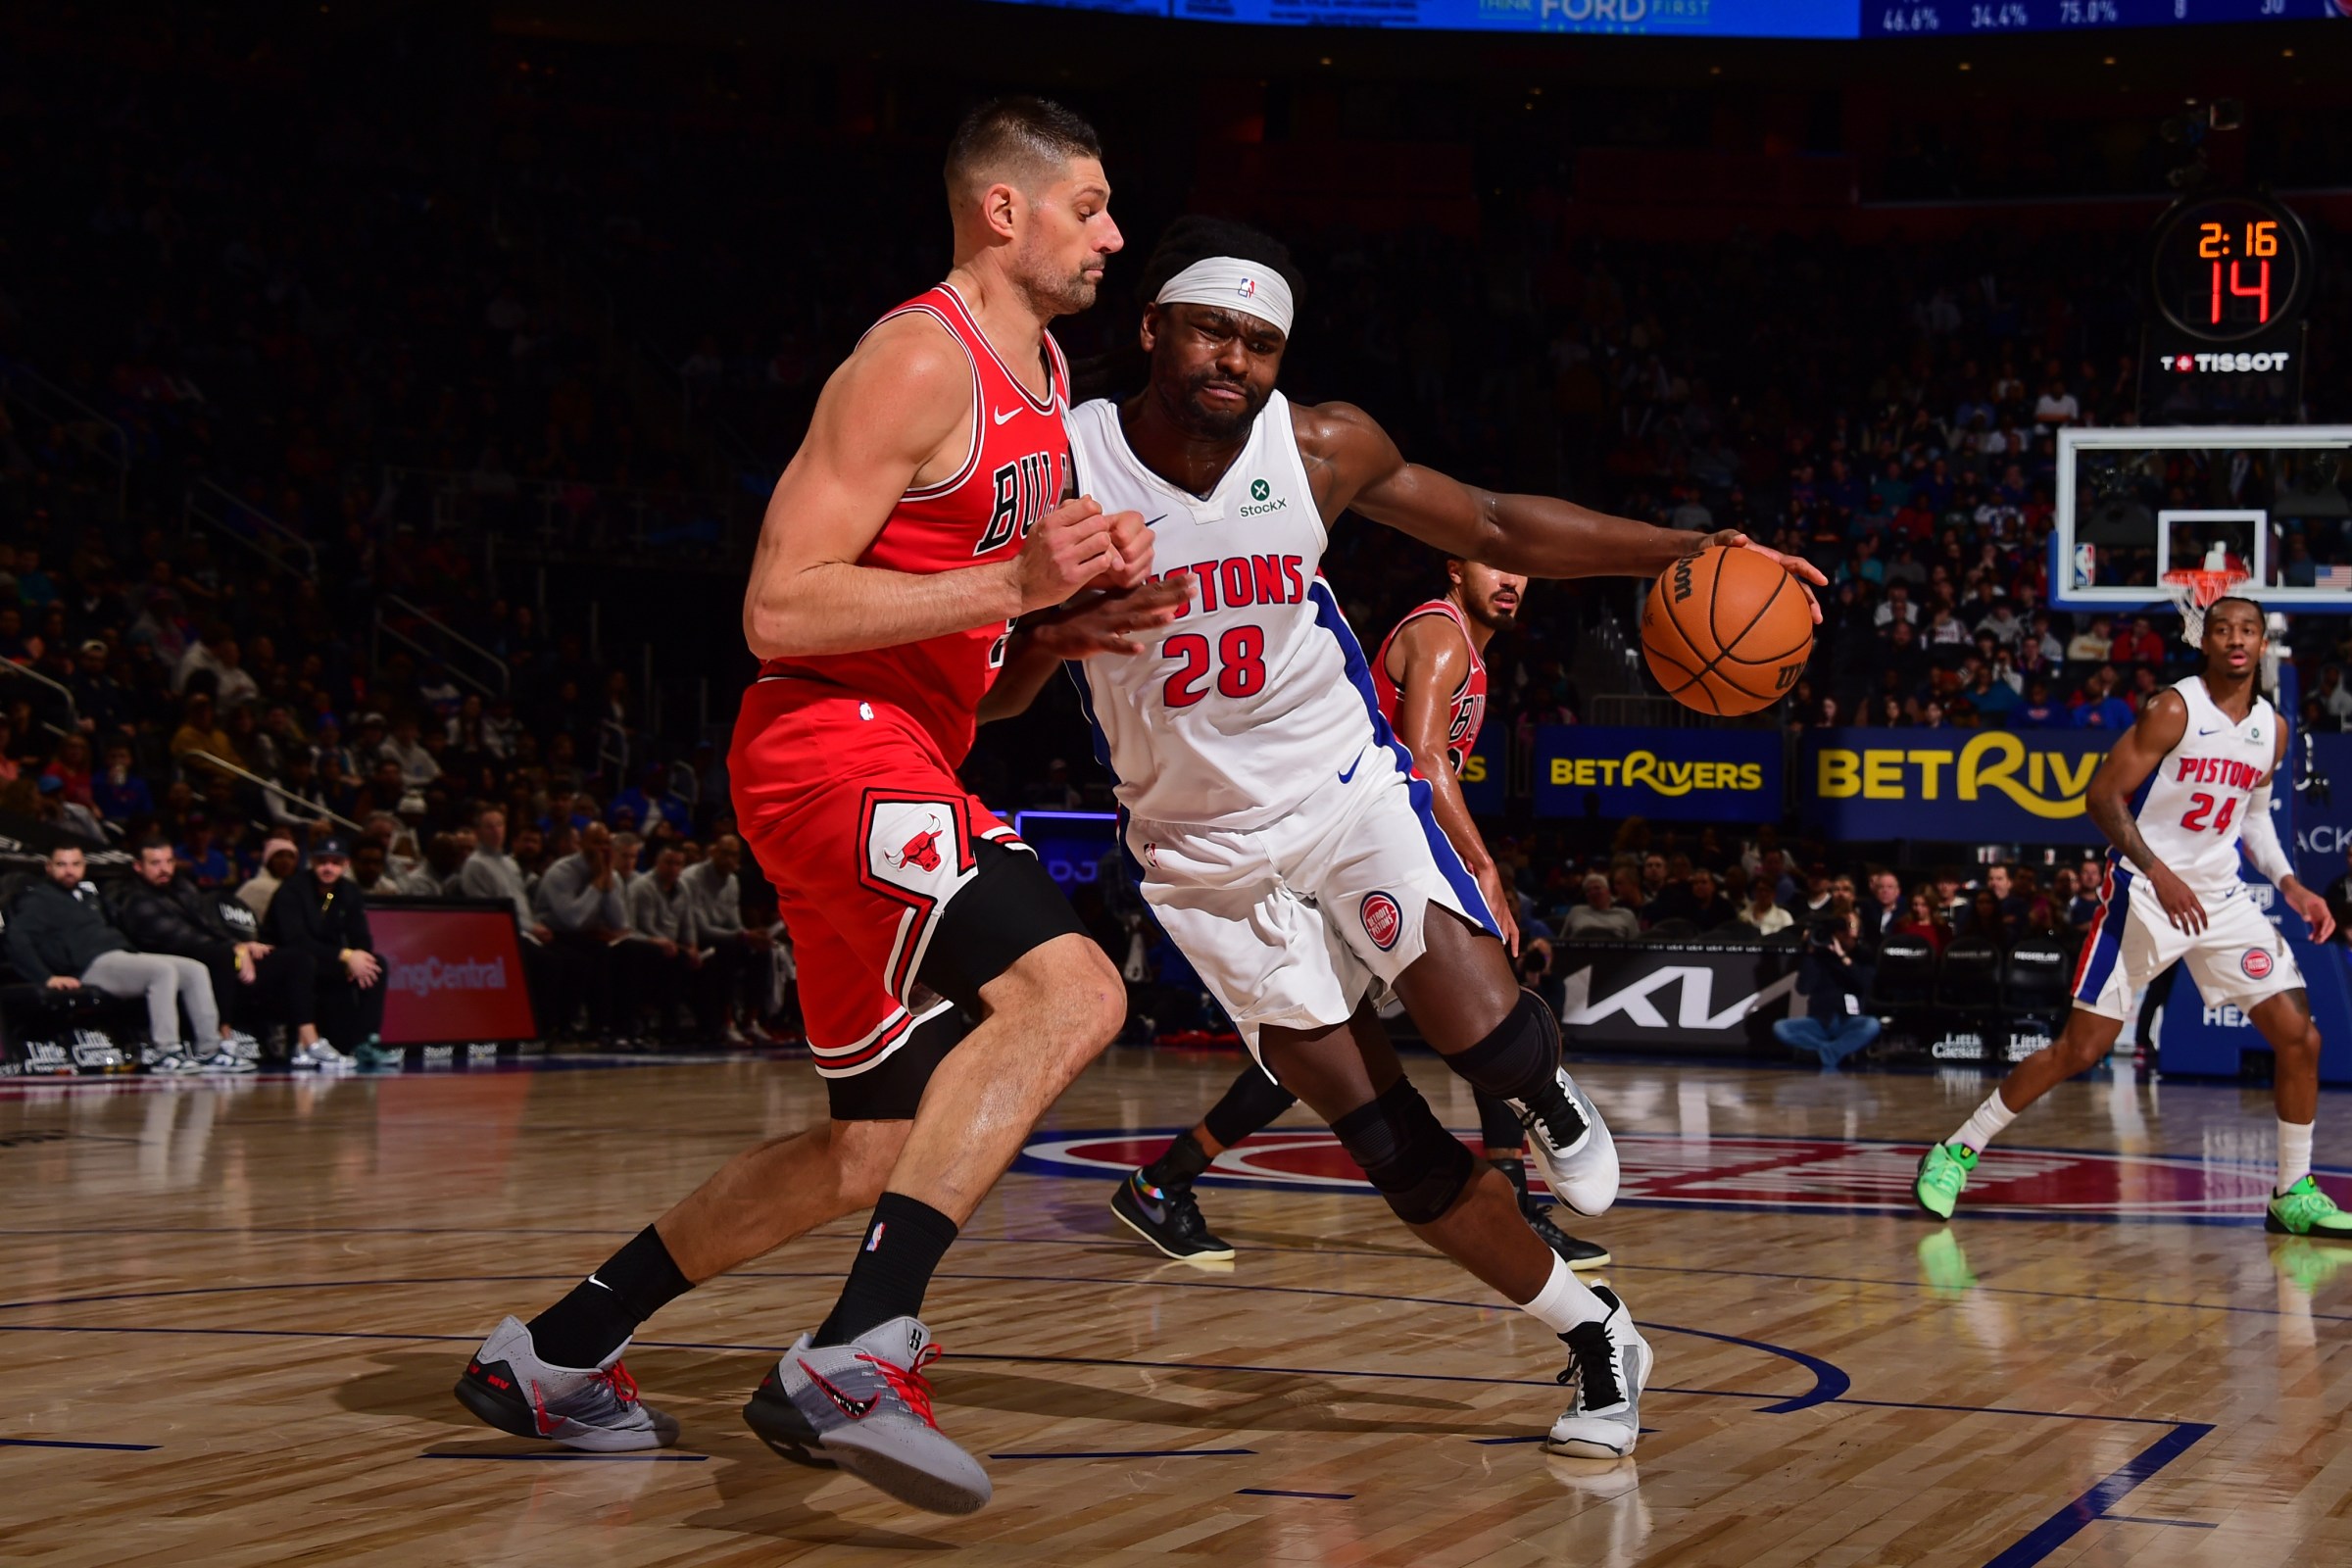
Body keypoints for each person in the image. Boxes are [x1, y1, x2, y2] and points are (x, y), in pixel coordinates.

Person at [454, 99, 1178, 1516]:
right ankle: (856, 1350)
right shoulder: (918, 357)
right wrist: (1014, 589)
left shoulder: (1039, 375)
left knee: (875, 1146)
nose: (1114, 232)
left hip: (902, 747)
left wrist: (1048, 637)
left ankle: (553, 1352)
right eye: (1089, 205)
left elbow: (977, 669)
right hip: (831, 747)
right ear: (1003, 210)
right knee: (1073, 993)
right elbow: (778, 606)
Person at [1031, 216, 1823, 1462]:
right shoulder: (1059, 469)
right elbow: (991, 688)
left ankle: (1544, 1089)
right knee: (1386, 1140)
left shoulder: (1321, 445)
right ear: (1152, 329)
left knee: (1472, 1011)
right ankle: (1599, 1332)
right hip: (1199, 854)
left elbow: (1498, 524)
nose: (1233, 356)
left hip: (1339, 785)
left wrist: (1692, 548)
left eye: (1259, 338)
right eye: (1210, 328)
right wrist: (1046, 635)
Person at [1107, 560, 1609, 1272]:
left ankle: (1166, 1179)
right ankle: (1165, 1179)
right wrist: (1481, 863)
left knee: (1410, 1025)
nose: (1513, 580)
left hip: (1363, 839)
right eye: (1496, 563)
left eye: (1526, 570)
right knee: (1369, 1030)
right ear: (1455, 568)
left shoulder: (1469, 650)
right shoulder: (1441, 635)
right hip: (1338, 842)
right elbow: (1425, 759)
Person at [1915, 599, 2348, 1238]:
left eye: (2248, 630)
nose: (2236, 639)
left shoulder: (2272, 729)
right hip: (2144, 897)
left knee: (2299, 1037)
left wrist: (2292, 886)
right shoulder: (2175, 708)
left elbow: (2253, 820)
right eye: (2224, 629)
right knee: (2080, 1049)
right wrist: (2159, 870)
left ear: (2263, 644)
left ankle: (2293, 1191)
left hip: (2220, 901)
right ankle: (1956, 1150)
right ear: (2206, 641)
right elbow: (2101, 797)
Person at [2, 843, 251, 1075]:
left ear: (84, 866)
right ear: (49, 867)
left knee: (194, 969)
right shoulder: (38, 899)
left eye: (75, 864)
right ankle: (167, 1052)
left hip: (121, 957)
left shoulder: (87, 897)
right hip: (91, 965)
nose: (69, 871)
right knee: (161, 971)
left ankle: (211, 1051)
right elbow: (16, 939)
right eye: (62, 864)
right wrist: (46, 977)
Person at [116, 838, 351, 1069]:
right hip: (173, 958)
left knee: (297, 959)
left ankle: (307, 1042)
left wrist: (243, 944)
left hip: (215, 950)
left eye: (169, 861)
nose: (164, 869)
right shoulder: (133, 896)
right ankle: (222, 1044)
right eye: (155, 863)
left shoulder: (182, 886)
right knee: (223, 956)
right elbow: (177, 938)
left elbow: (209, 924)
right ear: (138, 866)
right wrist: (233, 947)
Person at [259, 837, 391, 1069]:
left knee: (376, 964)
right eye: (322, 861)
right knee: (304, 961)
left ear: (346, 864)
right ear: (311, 861)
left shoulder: (347, 892)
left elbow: (361, 937)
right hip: (288, 964)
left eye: (335, 862)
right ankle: (306, 1044)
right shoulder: (292, 890)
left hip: (325, 960)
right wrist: (346, 956)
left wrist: (358, 957)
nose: (328, 868)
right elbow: (295, 941)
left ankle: (366, 1041)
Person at [1773, 896, 1880, 1069]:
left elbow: (1865, 984)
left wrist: (1843, 957)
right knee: (1780, 1028)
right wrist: (1810, 952)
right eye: (1840, 927)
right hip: (1820, 1022)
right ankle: (1837, 1051)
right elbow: (1803, 988)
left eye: (1849, 926)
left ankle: (1823, 1053)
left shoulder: (1864, 955)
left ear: (1858, 930)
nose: (1844, 932)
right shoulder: (1820, 955)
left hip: (1849, 1022)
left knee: (1872, 1025)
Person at [1564, 872, 1641, 942]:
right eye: (1588, 890)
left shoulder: (1626, 915)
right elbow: (1561, 942)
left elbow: (1637, 945)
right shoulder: (1576, 912)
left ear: (1608, 891)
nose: (1593, 892)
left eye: (1597, 888)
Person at [237, 836, 300, 920]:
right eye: (279, 855)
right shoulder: (254, 887)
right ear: (268, 860)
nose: (286, 861)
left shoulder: (298, 890)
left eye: (291, 856)